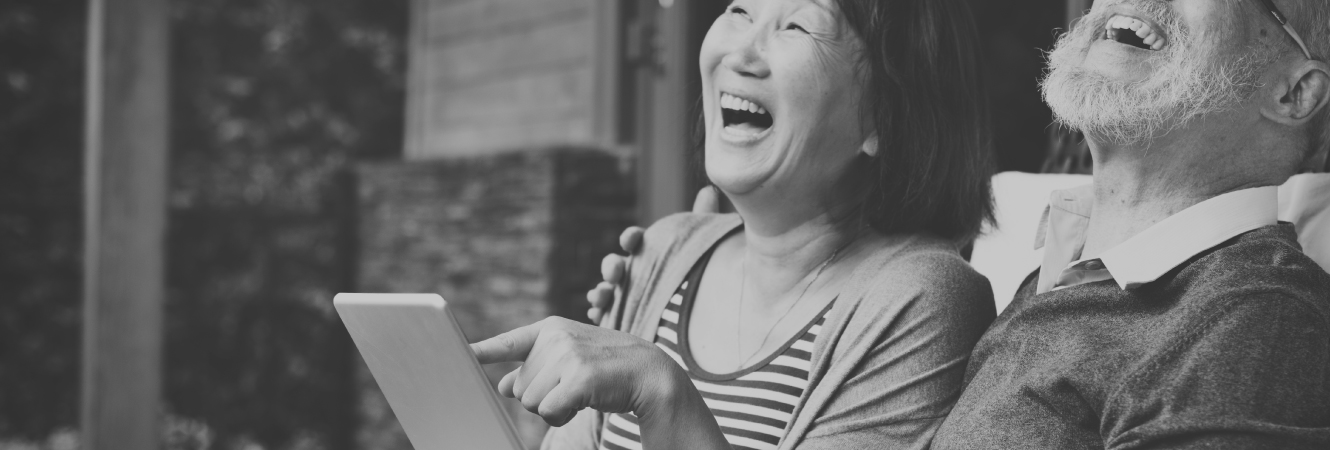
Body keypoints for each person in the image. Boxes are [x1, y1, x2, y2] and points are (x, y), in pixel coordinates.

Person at [468, 0, 998, 449]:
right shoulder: (664, 251)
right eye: (740, 9)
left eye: (796, 25)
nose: (741, 52)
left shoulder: (924, 298)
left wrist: (660, 389)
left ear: (884, 114)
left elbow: (652, 385)